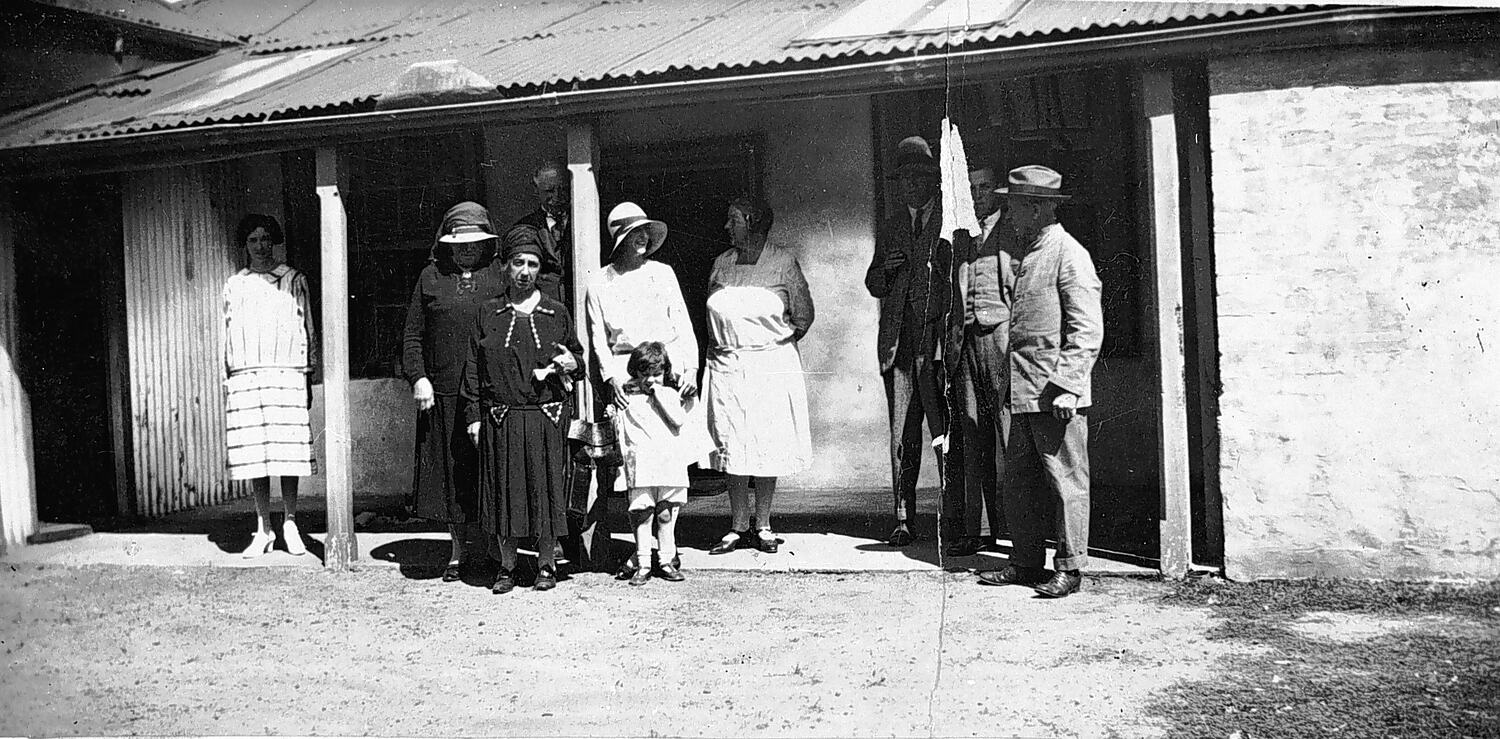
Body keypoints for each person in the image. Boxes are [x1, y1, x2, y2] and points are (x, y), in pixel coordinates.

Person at [977, 165, 1103, 599]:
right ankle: (1026, 562)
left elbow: (1086, 329)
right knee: (1019, 482)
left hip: (1055, 395)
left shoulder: (1069, 254)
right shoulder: (1030, 252)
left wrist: (1068, 385)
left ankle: (1069, 568)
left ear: (1035, 208)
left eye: (1014, 206)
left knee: (1066, 481)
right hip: (1024, 391)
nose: (1008, 214)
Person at [461, 235, 585, 594]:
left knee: (544, 493)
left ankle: (546, 565)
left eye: (532, 264)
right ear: (505, 267)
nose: (525, 272)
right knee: (506, 492)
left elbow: (578, 363)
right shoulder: (488, 312)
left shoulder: (555, 312)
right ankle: (508, 567)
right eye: (518, 263)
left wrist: (572, 362)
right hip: (502, 417)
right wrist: (473, 415)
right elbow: (474, 367)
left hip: (545, 417)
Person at [585, 202, 702, 576]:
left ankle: (666, 553)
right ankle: (643, 554)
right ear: (618, 239)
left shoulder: (663, 274)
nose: (642, 239)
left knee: (669, 472)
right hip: (629, 383)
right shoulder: (600, 282)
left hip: (666, 378)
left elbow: (682, 325)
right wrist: (611, 379)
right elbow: (598, 339)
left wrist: (689, 369)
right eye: (633, 233)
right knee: (639, 472)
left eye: (645, 232)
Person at [703, 196, 814, 556]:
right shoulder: (721, 264)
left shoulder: (783, 263)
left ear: (752, 222)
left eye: (732, 220)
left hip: (770, 365)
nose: (726, 227)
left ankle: (763, 524)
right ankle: (736, 525)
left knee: (767, 441)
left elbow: (803, 316)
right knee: (732, 443)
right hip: (727, 365)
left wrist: (767, 347)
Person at [402, 202, 506, 581]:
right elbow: (413, 335)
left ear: (486, 243)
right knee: (450, 477)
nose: (467, 249)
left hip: (488, 393)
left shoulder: (499, 276)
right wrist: (418, 377)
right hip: (443, 393)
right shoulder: (430, 277)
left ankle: (496, 549)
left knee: (490, 473)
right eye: (460, 243)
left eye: (475, 243)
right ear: (447, 244)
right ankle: (459, 551)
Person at [864, 136, 953, 548]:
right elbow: (873, 283)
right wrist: (888, 267)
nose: (912, 186)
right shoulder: (894, 224)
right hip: (899, 346)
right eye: (905, 180)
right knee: (902, 436)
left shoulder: (950, 222)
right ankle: (903, 517)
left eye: (920, 177)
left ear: (934, 180)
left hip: (937, 346)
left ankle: (955, 520)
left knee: (945, 434)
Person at [222, 214, 317, 558]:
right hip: (248, 375)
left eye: (265, 239)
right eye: (252, 240)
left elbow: (307, 328)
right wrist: (229, 377)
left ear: (274, 241)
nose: (260, 246)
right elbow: (227, 336)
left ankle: (290, 523)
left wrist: (308, 373)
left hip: (287, 372)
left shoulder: (293, 280)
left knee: (286, 453)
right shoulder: (235, 285)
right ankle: (263, 528)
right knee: (256, 455)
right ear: (244, 245)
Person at [944, 166, 1013, 557]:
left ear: (997, 192)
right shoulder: (962, 237)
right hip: (967, 342)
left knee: (1010, 437)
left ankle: (1020, 534)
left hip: (1001, 340)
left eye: (984, 187)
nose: (977, 194)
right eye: (970, 188)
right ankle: (979, 529)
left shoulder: (1010, 231)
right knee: (972, 438)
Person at [614, 342, 698, 585]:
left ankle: (666, 559)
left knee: (665, 513)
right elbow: (624, 432)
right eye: (645, 374)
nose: (651, 380)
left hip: (668, 463)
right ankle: (643, 563)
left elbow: (678, 419)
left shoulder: (670, 394)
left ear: (665, 372)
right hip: (642, 463)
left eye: (656, 374)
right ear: (635, 373)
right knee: (643, 513)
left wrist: (660, 393)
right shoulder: (629, 397)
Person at [510, 161, 571, 304]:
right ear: (536, 191)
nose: (557, 196)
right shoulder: (524, 227)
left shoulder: (584, 224)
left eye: (563, 189)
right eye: (549, 191)